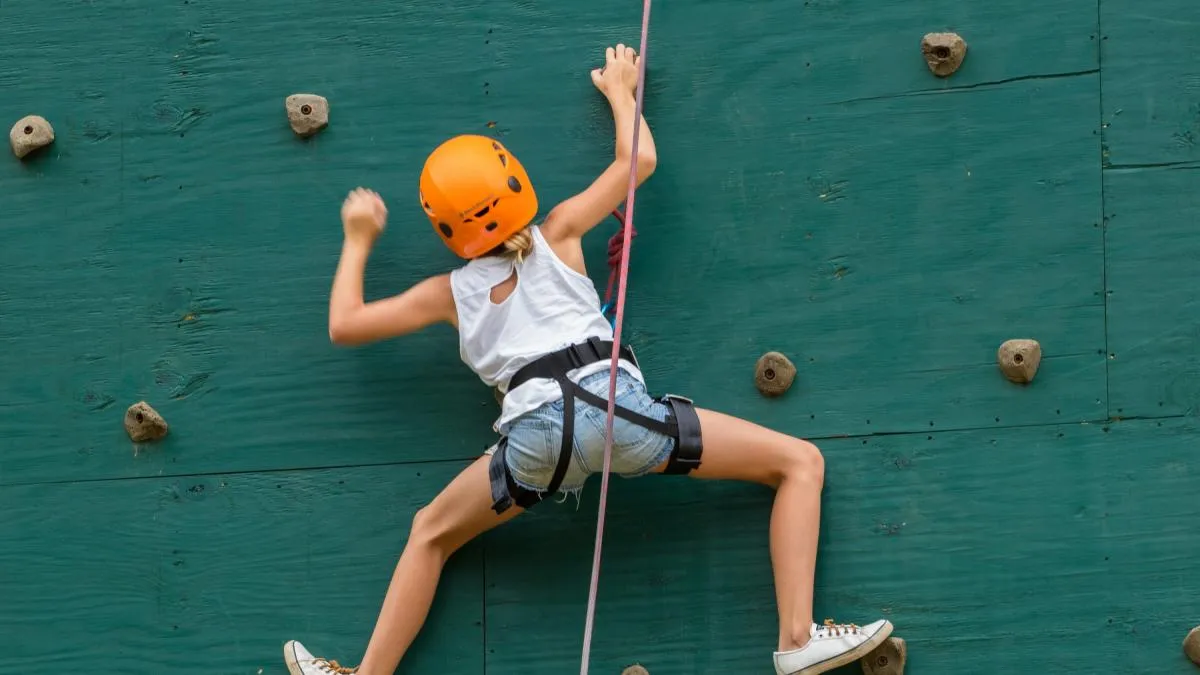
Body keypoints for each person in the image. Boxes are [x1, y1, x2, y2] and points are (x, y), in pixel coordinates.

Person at [283, 43, 892, 675]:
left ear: (446, 226)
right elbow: (640, 161)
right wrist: (621, 91)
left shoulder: (448, 295)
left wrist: (358, 237)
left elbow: (345, 324)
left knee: (430, 533)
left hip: (534, 443)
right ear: (513, 181)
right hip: (616, 411)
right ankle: (796, 639)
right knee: (799, 463)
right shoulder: (559, 232)